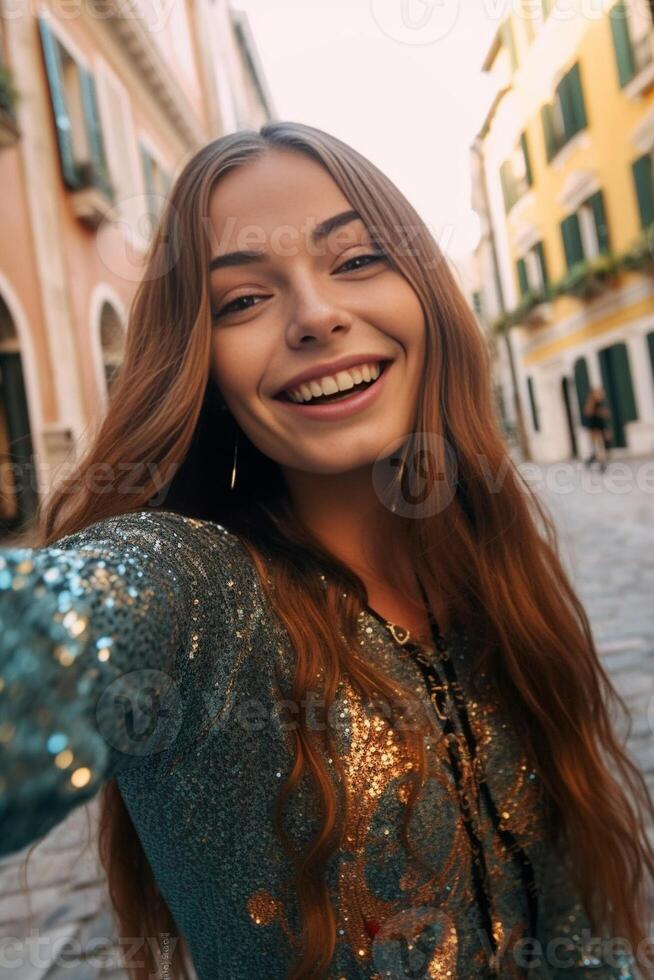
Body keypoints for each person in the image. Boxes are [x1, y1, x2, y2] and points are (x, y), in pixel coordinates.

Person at [1, 122, 653, 980]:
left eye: (354, 261)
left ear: (426, 292)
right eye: (242, 302)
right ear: (201, 366)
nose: (316, 317)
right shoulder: (195, 592)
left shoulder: (493, 567)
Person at [583, 386, 612, 472]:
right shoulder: (591, 403)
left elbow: (606, 414)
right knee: (597, 445)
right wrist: (599, 412)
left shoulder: (601, 403)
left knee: (605, 443)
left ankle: (596, 460)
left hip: (601, 424)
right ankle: (598, 461)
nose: (601, 395)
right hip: (594, 425)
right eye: (599, 393)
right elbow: (588, 413)